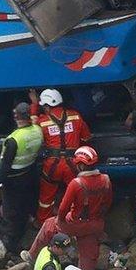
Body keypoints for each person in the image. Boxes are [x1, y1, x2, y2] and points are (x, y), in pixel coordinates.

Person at [27, 145, 112, 270]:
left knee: (49, 224)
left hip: (75, 223)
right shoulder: (106, 180)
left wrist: (60, 221)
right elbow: (107, 204)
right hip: (95, 224)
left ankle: (31, 256)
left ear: (81, 165)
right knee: (88, 255)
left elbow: (63, 209)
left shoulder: (76, 183)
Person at [30, 88, 92, 223]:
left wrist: (34, 106)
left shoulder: (42, 121)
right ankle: (75, 220)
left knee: (46, 199)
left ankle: (42, 223)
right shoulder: (75, 116)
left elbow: (31, 135)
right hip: (73, 164)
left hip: (52, 166)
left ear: (46, 106)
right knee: (76, 194)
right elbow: (86, 138)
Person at [0, 102, 44, 254]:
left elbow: (4, 165)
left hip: (13, 179)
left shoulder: (13, 139)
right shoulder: (37, 130)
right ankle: (23, 233)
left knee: (11, 211)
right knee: (24, 207)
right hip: (29, 175)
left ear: (16, 117)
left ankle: (10, 245)